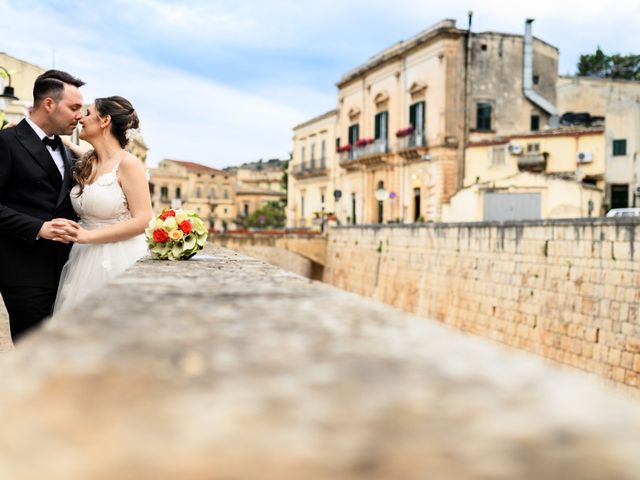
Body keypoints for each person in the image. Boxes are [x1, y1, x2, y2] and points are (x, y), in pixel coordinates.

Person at [0, 70, 85, 342]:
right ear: (49, 103)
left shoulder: (68, 150)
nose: (79, 116)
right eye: (73, 108)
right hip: (24, 271)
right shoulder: (6, 142)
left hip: (69, 270)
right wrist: (40, 228)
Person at [52, 96, 152, 313]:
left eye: (88, 113)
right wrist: (64, 143)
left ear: (104, 121)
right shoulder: (90, 162)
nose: (81, 118)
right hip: (82, 258)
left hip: (117, 258)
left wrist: (87, 236)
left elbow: (143, 220)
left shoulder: (129, 164)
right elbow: (82, 153)